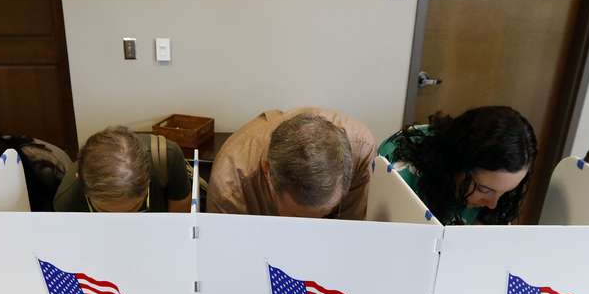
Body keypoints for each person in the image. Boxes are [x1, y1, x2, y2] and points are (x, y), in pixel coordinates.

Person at [378, 106, 537, 225]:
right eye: (484, 190)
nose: (492, 205)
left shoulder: (496, 199)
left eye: (506, 192)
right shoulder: (401, 168)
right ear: (459, 162)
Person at [208, 107, 376, 219]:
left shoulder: (361, 151)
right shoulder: (228, 187)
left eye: (325, 213)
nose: (310, 228)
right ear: (268, 173)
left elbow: (351, 233)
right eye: (296, 216)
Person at [54, 126, 192, 213]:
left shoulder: (167, 158)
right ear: (81, 185)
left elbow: (178, 226)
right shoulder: (66, 201)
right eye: (105, 212)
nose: (122, 223)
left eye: (133, 209)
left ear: (149, 177)